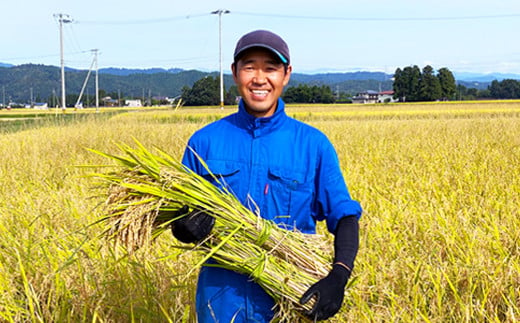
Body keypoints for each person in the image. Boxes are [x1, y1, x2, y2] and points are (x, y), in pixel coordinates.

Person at [171, 29, 362, 322]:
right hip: (221, 303)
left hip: (289, 299)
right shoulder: (204, 142)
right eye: (249, 67)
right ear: (235, 73)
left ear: (286, 74)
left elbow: (345, 216)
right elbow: (178, 214)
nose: (259, 78)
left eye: (270, 68)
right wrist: (184, 227)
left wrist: (339, 276)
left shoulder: (312, 145)